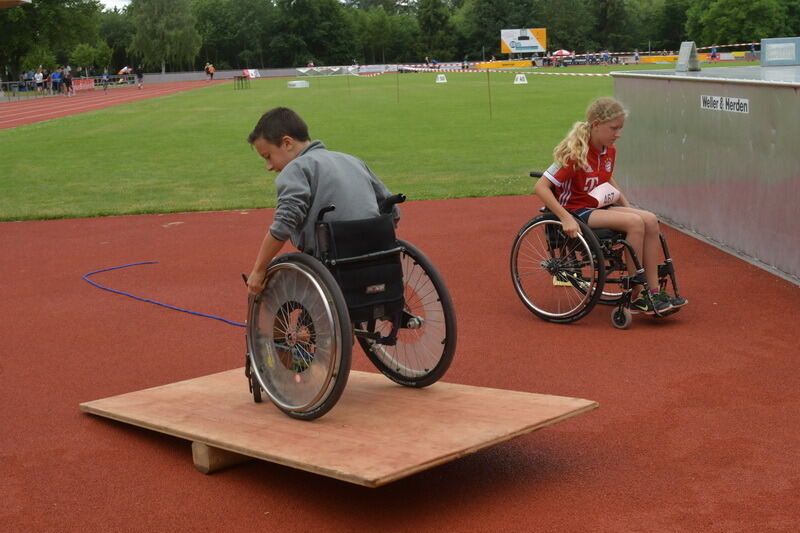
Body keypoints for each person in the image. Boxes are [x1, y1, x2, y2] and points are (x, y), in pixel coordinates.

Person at [533, 97, 687, 315]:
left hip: (597, 206)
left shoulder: (608, 151)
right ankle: (635, 294)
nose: (618, 134)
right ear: (596, 124)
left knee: (649, 219)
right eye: (614, 128)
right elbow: (541, 187)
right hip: (576, 210)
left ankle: (652, 290)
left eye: (620, 128)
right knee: (634, 223)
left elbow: (607, 179)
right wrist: (565, 218)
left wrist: (628, 205)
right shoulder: (574, 152)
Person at [245, 107, 400, 295]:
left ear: (287, 143)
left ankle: (266, 325)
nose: (268, 166)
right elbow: (391, 208)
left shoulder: (295, 169)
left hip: (331, 263)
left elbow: (285, 222)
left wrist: (259, 270)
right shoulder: (352, 160)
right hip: (376, 258)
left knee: (270, 286)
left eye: (268, 156)